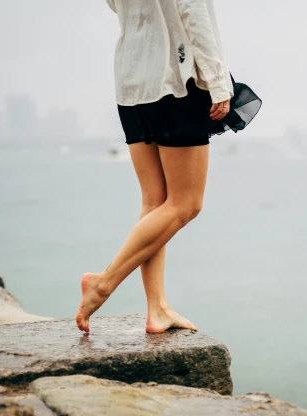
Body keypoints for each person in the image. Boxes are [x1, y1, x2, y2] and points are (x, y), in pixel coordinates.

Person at [75, 0, 254, 333]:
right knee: (186, 203)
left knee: (155, 203)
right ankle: (104, 283)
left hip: (132, 85)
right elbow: (193, 10)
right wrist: (217, 82)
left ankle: (157, 309)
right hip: (176, 80)